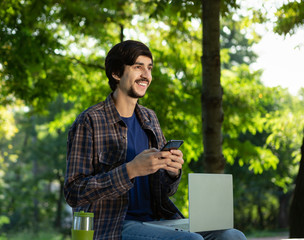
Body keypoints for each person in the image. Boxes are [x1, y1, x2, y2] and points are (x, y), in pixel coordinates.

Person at [64, 40, 247, 240]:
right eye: (137, 67)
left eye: (149, 68)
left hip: (159, 220)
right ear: (116, 73)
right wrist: (130, 170)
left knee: (232, 235)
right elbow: (74, 192)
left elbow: (167, 190)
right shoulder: (90, 120)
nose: (146, 75)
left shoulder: (149, 118)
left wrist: (172, 172)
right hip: (113, 226)